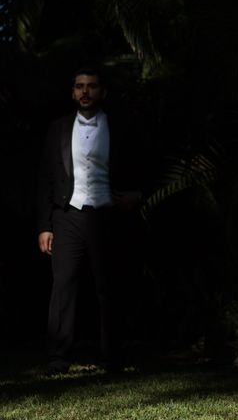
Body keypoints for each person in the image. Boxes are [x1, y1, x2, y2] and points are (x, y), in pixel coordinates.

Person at [37, 67, 141, 374]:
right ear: (72, 92)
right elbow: (44, 178)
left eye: (91, 86)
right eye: (80, 86)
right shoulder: (56, 128)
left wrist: (137, 193)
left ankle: (113, 357)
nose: (85, 91)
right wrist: (44, 225)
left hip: (107, 213)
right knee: (63, 286)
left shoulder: (120, 127)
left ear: (102, 92)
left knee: (109, 288)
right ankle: (58, 358)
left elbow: (140, 161)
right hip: (67, 215)